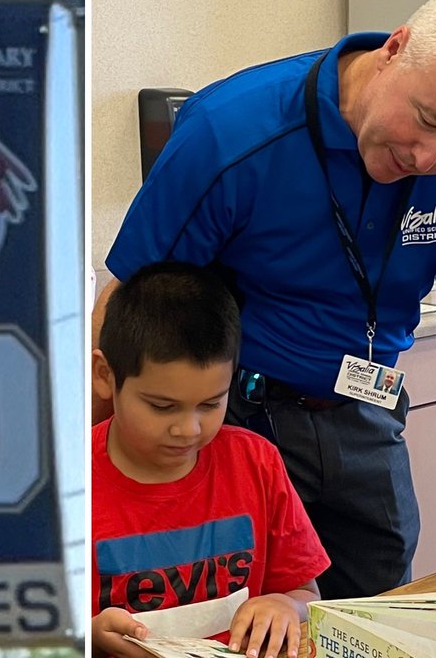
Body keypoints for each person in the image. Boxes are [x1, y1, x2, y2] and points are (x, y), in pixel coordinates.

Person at [96, 0, 436, 604]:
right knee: (244, 625)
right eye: (428, 122)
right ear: (396, 48)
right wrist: (101, 501)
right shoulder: (231, 130)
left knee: (374, 625)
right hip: (239, 426)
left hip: (366, 414)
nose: (429, 157)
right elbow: (127, 315)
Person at [92, 263, 328, 658]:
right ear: (105, 376)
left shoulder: (255, 461)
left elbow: (305, 593)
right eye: (162, 406)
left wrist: (288, 605)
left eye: (210, 403)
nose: (188, 429)